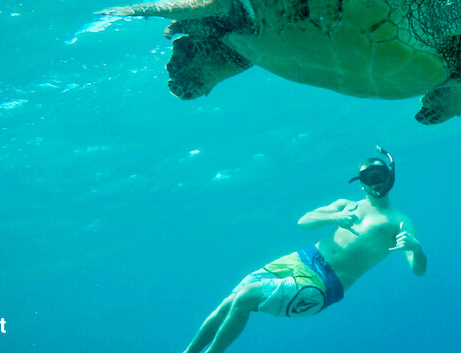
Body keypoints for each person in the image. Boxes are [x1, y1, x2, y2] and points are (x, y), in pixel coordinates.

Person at [183, 147, 427, 353]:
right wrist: (335, 217)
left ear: (390, 176)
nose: (376, 182)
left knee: (247, 295)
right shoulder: (347, 205)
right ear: (360, 183)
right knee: (232, 299)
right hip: (303, 258)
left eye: (380, 174)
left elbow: (418, 270)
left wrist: (416, 249)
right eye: (368, 177)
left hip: (325, 284)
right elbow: (304, 221)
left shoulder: (399, 221)